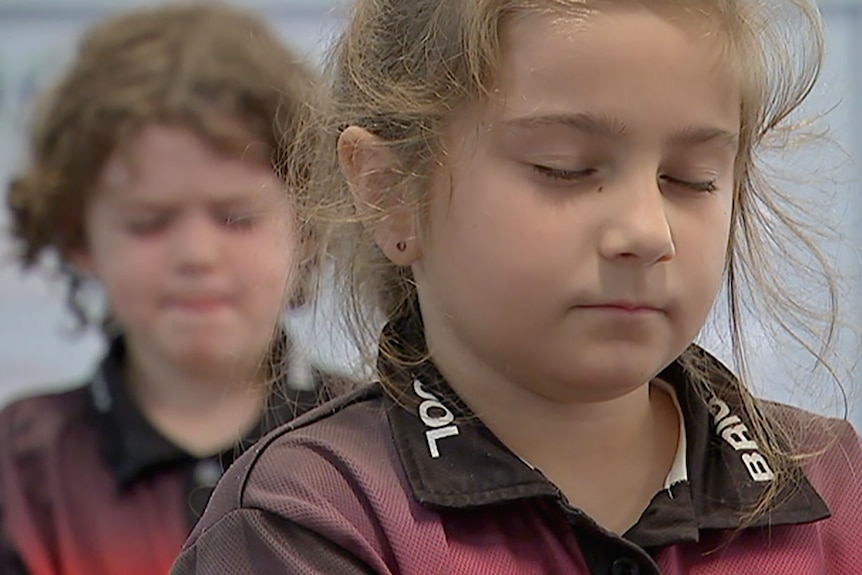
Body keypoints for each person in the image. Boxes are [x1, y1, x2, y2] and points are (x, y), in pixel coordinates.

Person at [172, 1, 862, 573]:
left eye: (690, 178)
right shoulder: (309, 515)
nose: (649, 232)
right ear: (389, 192)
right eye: (564, 167)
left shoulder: (836, 485)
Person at [0, 3, 336, 574]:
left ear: (307, 223)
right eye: (148, 222)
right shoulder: (20, 471)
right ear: (79, 235)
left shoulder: (384, 450)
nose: (196, 256)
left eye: (236, 217)